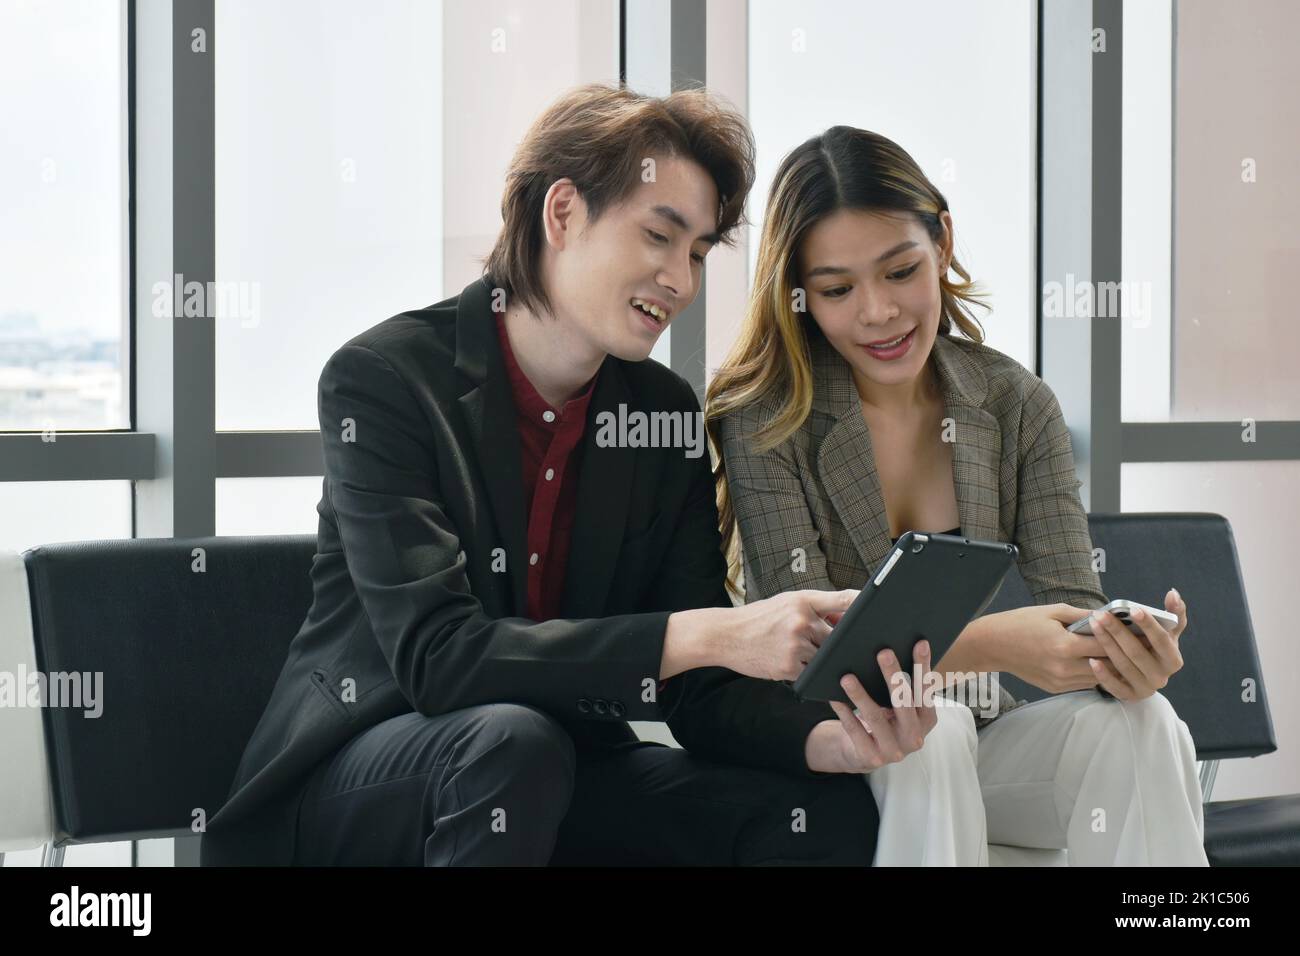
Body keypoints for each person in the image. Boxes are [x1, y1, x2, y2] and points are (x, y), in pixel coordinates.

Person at [200, 86, 896, 867]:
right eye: (659, 237)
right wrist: (716, 632)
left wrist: (831, 742)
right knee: (511, 744)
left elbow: (696, 691)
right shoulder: (386, 382)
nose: (681, 280)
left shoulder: (661, 413)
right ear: (562, 214)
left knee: (815, 809)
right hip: (359, 782)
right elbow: (440, 659)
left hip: (556, 771)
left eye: (697, 254)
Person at [706, 125, 1209, 866]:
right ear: (799, 295)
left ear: (941, 241)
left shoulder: (1013, 403)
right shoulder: (765, 416)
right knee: (929, 725)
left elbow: (1072, 601)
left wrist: (1122, 650)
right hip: (836, 752)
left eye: (901, 270)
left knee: (1145, 723)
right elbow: (814, 647)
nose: (877, 312)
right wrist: (998, 642)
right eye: (838, 289)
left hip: (979, 744)